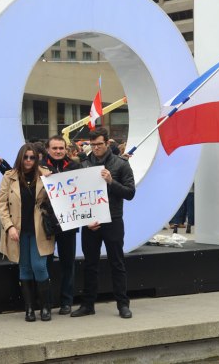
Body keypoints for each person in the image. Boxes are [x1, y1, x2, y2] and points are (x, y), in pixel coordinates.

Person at [71, 127, 136, 319]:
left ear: (107, 143)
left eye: (99, 144)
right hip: (90, 221)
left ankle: (123, 305)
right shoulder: (83, 164)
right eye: (92, 145)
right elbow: (75, 194)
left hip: (113, 220)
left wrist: (111, 181)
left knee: (117, 263)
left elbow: (130, 193)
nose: (96, 148)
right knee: (90, 264)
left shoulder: (121, 164)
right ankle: (88, 304)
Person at [0, 144, 55, 322]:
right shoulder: (9, 176)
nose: (29, 161)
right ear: (20, 158)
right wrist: (9, 227)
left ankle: (45, 306)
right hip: (18, 230)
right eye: (26, 157)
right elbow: (2, 204)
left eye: (32, 157)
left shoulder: (46, 175)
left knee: (39, 266)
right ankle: (29, 309)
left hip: (40, 228)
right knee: (25, 268)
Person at [42, 135, 81, 315]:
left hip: (69, 222)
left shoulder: (75, 167)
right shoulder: (39, 167)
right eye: (55, 148)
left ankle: (67, 302)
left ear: (66, 149)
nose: (58, 151)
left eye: (61, 148)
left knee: (68, 264)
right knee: (46, 265)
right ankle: (46, 303)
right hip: (46, 223)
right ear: (48, 149)